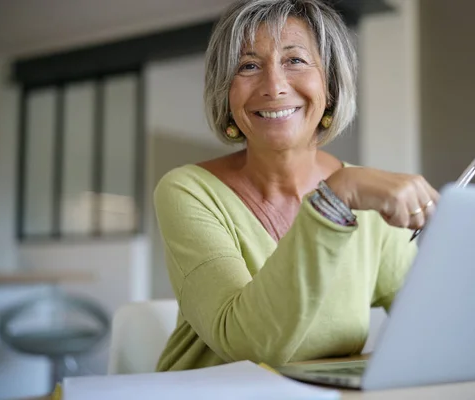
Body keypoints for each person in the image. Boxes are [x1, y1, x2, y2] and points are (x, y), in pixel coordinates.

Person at [154, 0, 439, 372]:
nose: (273, 86)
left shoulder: (365, 198)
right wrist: (334, 201)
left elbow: (431, 324)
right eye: (249, 66)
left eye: (295, 61)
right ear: (226, 93)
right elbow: (247, 346)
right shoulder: (187, 190)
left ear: (331, 85)